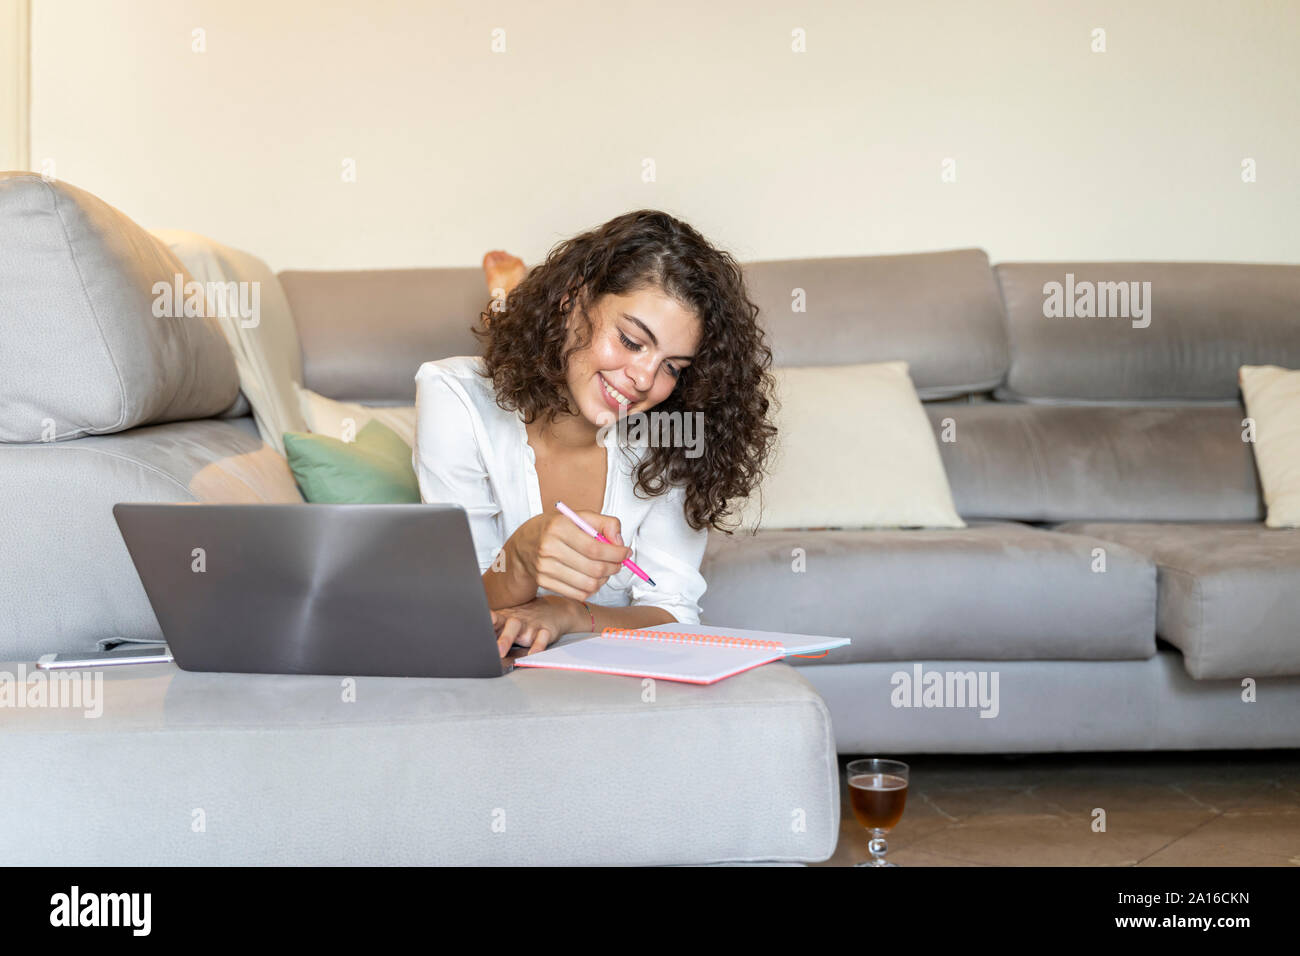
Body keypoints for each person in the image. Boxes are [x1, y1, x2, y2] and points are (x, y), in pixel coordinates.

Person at [413, 210, 777, 658]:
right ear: (573, 300)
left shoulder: (673, 433)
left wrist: (568, 612)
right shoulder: (453, 396)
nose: (645, 379)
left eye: (672, 367)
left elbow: (673, 613)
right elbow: (458, 609)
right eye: (630, 340)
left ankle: (510, 293)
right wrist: (522, 556)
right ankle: (507, 292)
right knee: (515, 363)